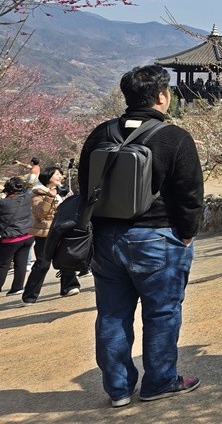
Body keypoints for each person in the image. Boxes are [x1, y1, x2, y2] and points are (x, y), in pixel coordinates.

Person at [77, 65, 204, 408]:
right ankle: (160, 380)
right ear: (162, 96)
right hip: (157, 239)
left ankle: (118, 389)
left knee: (111, 314)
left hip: (106, 239)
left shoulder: (100, 134)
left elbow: (84, 186)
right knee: (162, 312)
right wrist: (187, 236)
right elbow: (190, 196)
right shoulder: (174, 137)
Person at [21, 166, 81, 303]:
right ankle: (29, 296)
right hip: (45, 232)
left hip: (62, 229)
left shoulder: (63, 191)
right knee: (43, 263)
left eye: (61, 174)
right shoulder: (38, 193)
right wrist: (50, 196)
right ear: (48, 177)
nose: (60, 176)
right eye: (57, 174)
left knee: (66, 258)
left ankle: (69, 286)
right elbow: (40, 213)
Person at [0, 177, 35, 295]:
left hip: (10, 239)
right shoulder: (26, 199)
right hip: (28, 236)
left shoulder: (3, 203)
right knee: (21, 263)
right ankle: (17, 287)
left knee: (3, 265)